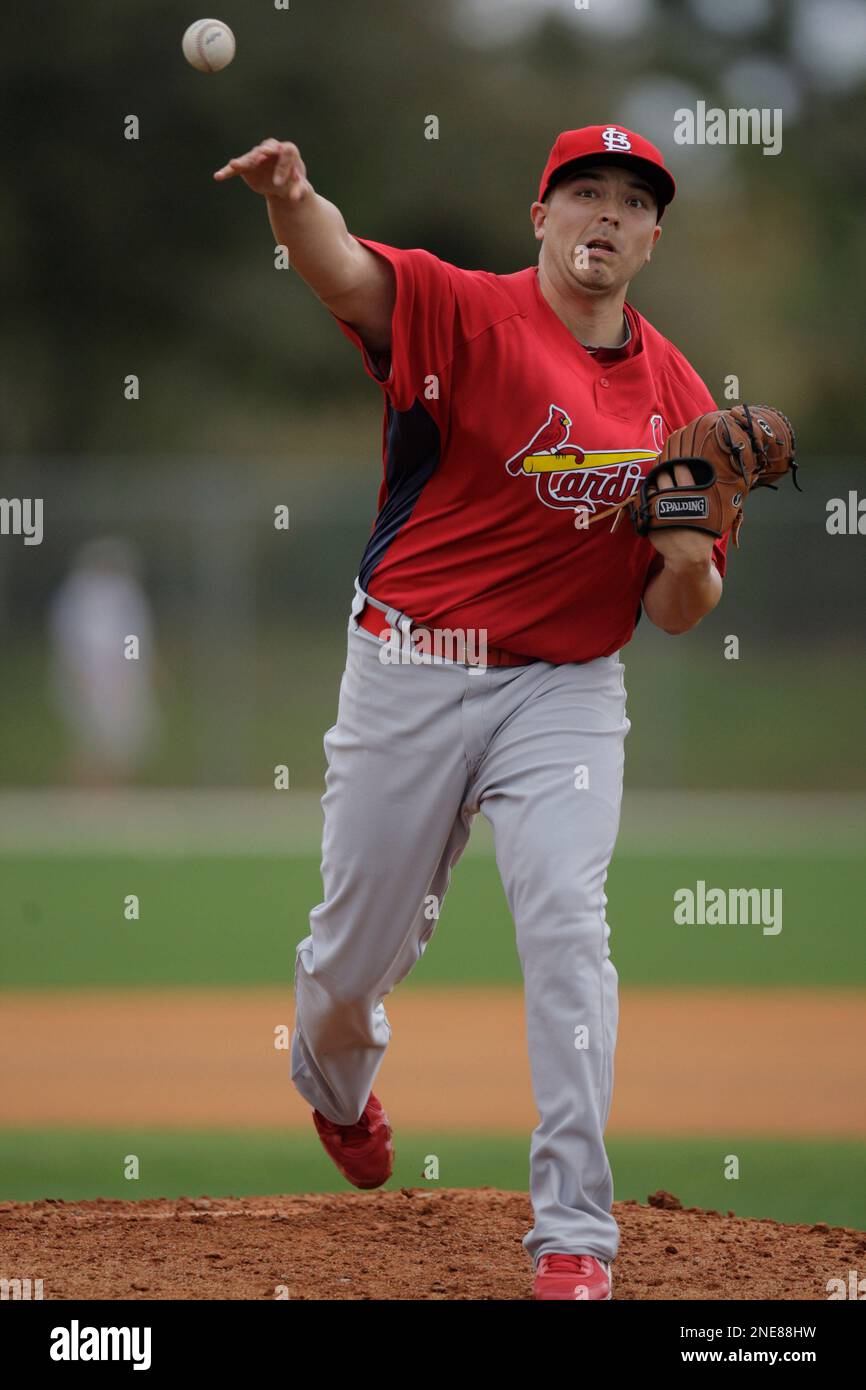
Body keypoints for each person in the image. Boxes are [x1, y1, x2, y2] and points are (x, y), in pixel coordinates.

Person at [215, 123, 726, 1301]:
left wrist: (690, 549)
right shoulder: (459, 312)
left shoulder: (680, 402)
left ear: (650, 238)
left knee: (566, 926)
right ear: (538, 217)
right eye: (582, 192)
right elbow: (342, 266)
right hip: (410, 661)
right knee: (353, 954)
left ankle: (572, 1237)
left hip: (565, 688)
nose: (605, 214)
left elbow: (680, 608)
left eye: (631, 202)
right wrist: (292, 198)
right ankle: (334, 1084)